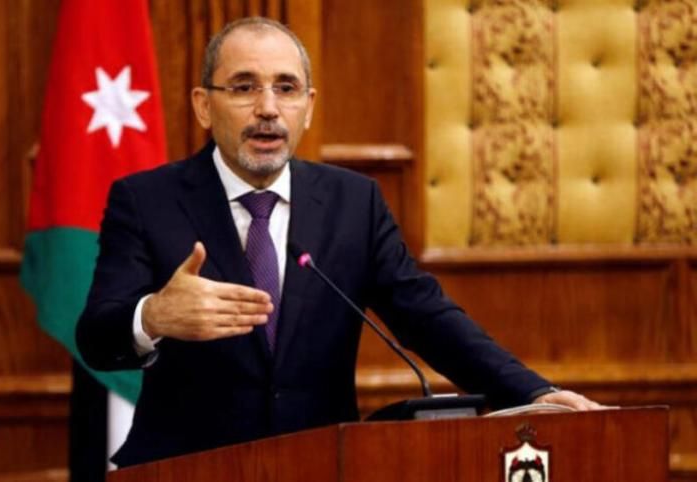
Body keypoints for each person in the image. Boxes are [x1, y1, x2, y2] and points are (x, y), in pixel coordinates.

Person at [76, 16, 601, 468]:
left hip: (324, 465)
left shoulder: (354, 202)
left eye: (286, 88)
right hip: (185, 470)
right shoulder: (146, 200)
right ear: (204, 106)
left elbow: (427, 317)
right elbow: (96, 337)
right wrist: (152, 317)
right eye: (243, 87)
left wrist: (534, 393)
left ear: (307, 106)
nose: (267, 108)